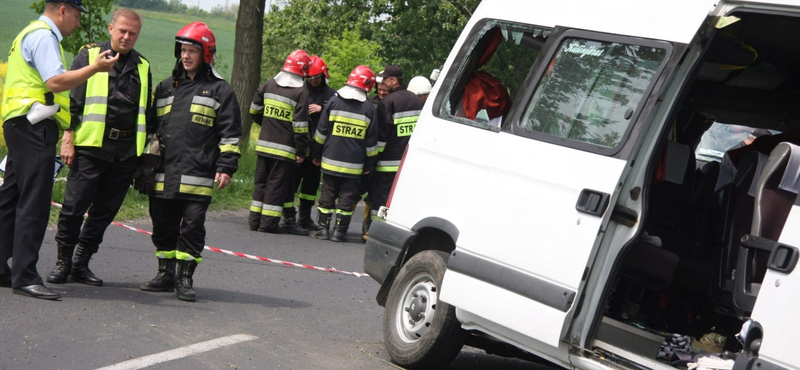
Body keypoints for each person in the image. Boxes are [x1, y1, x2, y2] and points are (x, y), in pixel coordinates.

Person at [0, 0, 118, 300]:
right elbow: (54, 82)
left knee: (11, 197)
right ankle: (25, 276)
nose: (78, 23)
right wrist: (96, 68)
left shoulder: (30, 32)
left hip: (20, 124)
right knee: (34, 203)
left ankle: (1, 266)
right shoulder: (44, 36)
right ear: (63, 10)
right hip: (34, 127)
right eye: (77, 16)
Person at [46, 9, 153, 287]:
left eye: (133, 33)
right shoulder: (90, 55)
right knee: (73, 208)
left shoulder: (143, 65)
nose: (127, 36)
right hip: (92, 147)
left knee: (104, 213)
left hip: (126, 152)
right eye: (122, 31)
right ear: (110, 28)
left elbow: (146, 112)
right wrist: (67, 137)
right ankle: (63, 261)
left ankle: (81, 263)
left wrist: (144, 156)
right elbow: (73, 99)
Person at [138, 22, 242, 302]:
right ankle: (165, 273)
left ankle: (185, 278)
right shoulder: (164, 88)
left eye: (192, 51)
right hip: (163, 172)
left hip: (198, 173)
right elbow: (148, 127)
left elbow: (230, 133)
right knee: (162, 224)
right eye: (182, 50)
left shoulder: (220, 91)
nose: (185, 56)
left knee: (192, 226)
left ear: (206, 54)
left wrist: (226, 165)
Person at [309, 66, 378, 242]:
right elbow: (371, 144)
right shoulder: (369, 109)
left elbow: (321, 133)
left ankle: (323, 229)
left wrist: (315, 155)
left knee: (327, 194)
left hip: (330, 161)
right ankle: (340, 232)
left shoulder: (333, 102)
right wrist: (369, 166)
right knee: (347, 198)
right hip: (354, 167)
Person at [248, 50, 311, 233]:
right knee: (275, 187)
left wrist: (267, 124)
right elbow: (300, 127)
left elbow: (254, 110)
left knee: (260, 184)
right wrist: (301, 151)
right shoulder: (301, 92)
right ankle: (267, 225)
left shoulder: (269, 84)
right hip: (284, 151)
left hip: (263, 147)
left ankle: (254, 222)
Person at [366, 65, 422, 242]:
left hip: (387, 163)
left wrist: (373, 159)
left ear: (394, 81)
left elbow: (381, 136)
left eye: (385, 80)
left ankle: (374, 231)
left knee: (380, 198)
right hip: (408, 162)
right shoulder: (415, 100)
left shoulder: (387, 103)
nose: (381, 84)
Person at [281, 55, 336, 233]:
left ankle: (304, 217)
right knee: (292, 182)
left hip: (316, 149)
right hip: (298, 145)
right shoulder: (299, 89)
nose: (313, 81)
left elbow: (337, 114)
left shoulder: (331, 95)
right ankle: (288, 216)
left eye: (317, 77)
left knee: (311, 185)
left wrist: (323, 109)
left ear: (324, 75)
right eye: (310, 78)